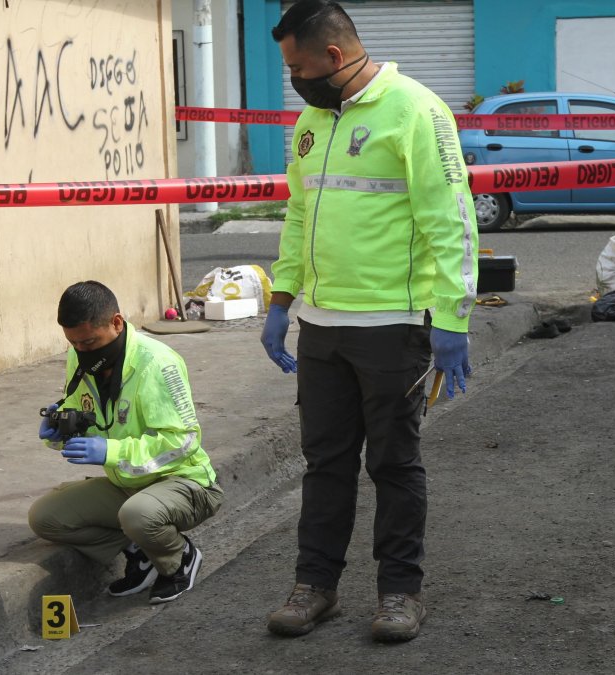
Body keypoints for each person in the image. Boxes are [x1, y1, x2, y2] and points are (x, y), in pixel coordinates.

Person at [259, 0, 478, 643]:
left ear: (333, 57)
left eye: (297, 66)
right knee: (324, 462)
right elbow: (299, 215)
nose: (293, 78)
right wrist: (282, 300)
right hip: (322, 326)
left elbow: (451, 218)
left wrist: (453, 316)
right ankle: (315, 586)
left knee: (394, 463)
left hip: (394, 325)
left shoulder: (415, 110)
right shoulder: (313, 119)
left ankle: (399, 594)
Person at [28, 281, 223, 604]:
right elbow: (84, 413)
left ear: (117, 323)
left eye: (89, 341)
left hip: (184, 482)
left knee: (138, 515)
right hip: (129, 481)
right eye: (73, 343)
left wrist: (111, 451)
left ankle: (178, 559)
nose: (82, 351)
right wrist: (59, 427)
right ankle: (142, 552)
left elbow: (183, 441)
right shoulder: (80, 358)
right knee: (46, 518)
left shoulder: (158, 363)